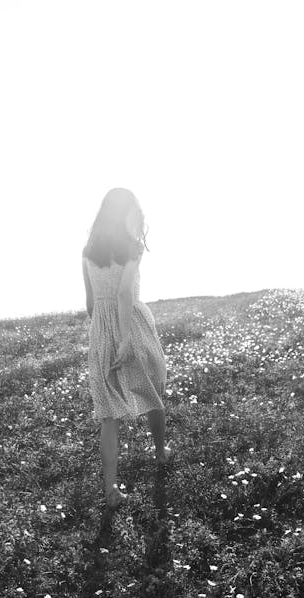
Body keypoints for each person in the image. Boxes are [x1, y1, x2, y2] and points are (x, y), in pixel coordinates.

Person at [82, 187, 175, 509]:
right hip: (130, 326)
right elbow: (124, 294)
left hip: (101, 330)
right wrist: (124, 339)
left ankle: (110, 490)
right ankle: (160, 451)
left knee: (109, 415)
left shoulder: (88, 251)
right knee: (152, 388)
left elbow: (91, 303)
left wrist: (104, 335)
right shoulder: (132, 248)